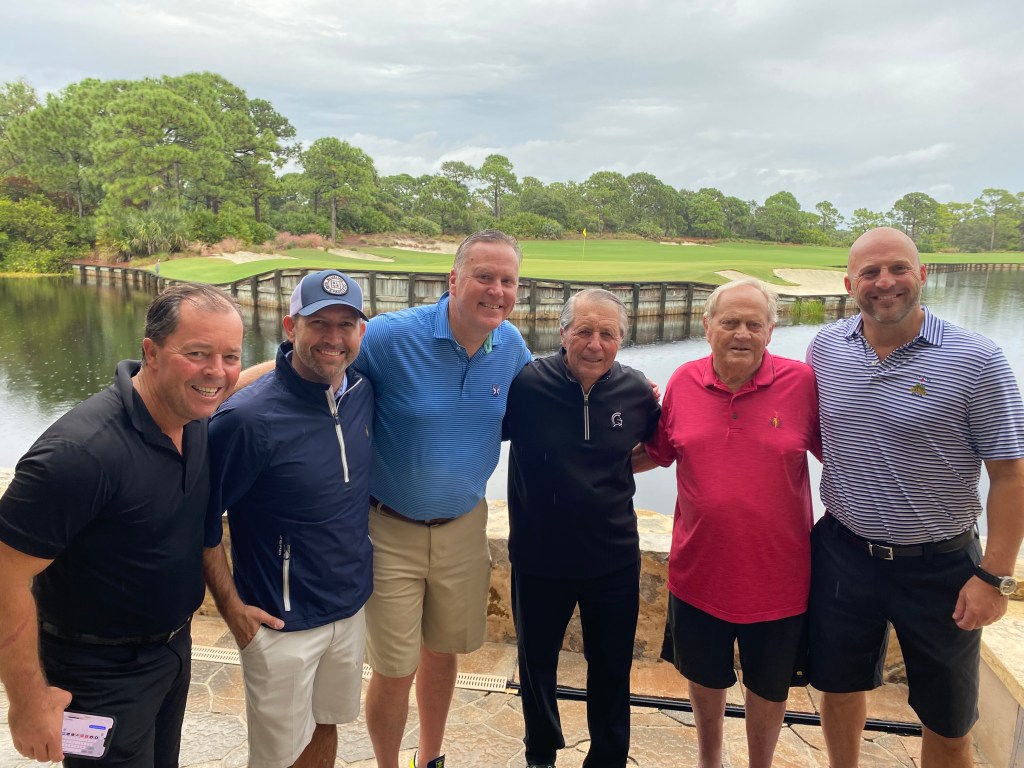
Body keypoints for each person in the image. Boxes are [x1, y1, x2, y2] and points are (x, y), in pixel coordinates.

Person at [0, 283, 244, 766]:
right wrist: (27, 703)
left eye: (230, 356)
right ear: (151, 352)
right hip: (98, 675)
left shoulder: (193, 415)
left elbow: (231, 382)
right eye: (197, 353)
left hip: (172, 652)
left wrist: (299, 359)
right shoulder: (81, 454)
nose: (217, 371)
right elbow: (5, 575)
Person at [807, 227, 1024, 768]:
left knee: (948, 721)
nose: (885, 282)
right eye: (870, 272)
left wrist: (995, 577)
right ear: (849, 284)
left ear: (922, 274)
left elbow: (1011, 475)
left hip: (940, 566)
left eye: (898, 268)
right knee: (837, 688)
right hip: (843, 551)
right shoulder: (826, 349)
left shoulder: (976, 359)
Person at [357, 229, 533, 768]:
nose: (497, 291)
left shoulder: (512, 347)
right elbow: (314, 369)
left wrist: (632, 392)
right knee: (394, 667)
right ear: (453, 280)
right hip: (389, 527)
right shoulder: (389, 337)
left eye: (508, 281)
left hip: (463, 527)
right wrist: (228, 391)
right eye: (484, 276)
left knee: (443, 651)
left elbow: (554, 400)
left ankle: (429, 758)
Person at [636, 278, 821, 768]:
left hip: (780, 578)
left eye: (753, 324)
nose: (742, 333)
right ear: (707, 325)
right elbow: (657, 452)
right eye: (730, 322)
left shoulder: (802, 383)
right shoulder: (683, 381)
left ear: (770, 331)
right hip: (699, 573)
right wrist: (581, 462)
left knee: (769, 687)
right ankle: (709, 760)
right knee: (704, 679)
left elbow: (846, 457)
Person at [202, 270, 374, 768]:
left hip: (348, 608)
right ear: (290, 326)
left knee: (326, 725)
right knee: (278, 758)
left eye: (346, 324)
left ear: (362, 332)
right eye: (319, 323)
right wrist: (233, 610)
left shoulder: (363, 391)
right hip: (281, 622)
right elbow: (200, 522)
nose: (333, 338)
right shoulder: (247, 419)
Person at [504, 288, 661, 768]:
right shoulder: (527, 383)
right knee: (536, 664)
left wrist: (612, 468)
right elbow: (478, 431)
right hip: (538, 555)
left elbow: (658, 448)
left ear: (621, 340)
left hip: (612, 557)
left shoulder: (637, 391)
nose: (595, 344)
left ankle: (608, 758)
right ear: (562, 333)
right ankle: (540, 754)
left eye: (607, 334)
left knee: (612, 667)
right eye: (584, 331)